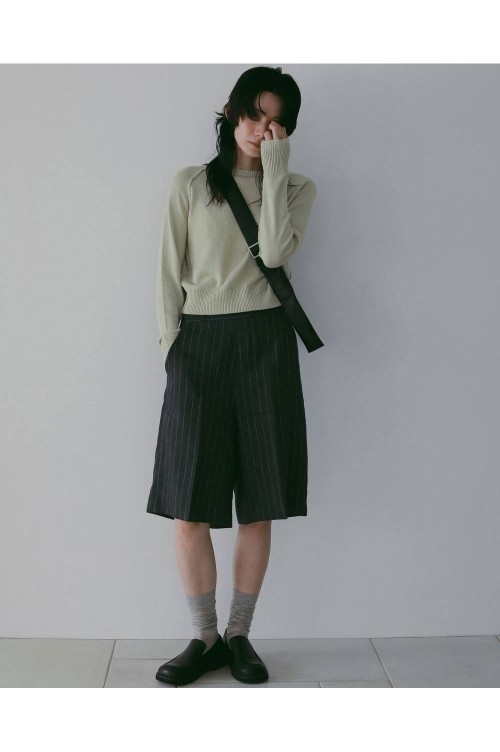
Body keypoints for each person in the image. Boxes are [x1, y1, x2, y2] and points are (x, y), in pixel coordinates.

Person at [147, 65, 317, 686]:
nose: (261, 127)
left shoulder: (296, 187)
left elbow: (272, 251)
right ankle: (204, 637)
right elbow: (167, 270)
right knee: (188, 505)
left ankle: (240, 635)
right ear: (231, 111)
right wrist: (172, 349)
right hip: (199, 343)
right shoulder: (191, 183)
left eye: (276, 121)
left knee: (259, 502)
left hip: (266, 343)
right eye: (253, 113)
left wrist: (274, 167)